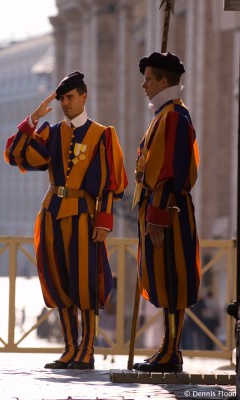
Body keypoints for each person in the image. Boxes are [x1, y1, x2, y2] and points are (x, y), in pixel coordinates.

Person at [4, 71, 128, 370]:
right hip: (52, 214)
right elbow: (15, 154)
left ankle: (86, 351)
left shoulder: (103, 134)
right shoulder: (51, 132)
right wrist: (31, 121)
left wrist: (104, 221)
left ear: (84, 97)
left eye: (70, 97)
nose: (65, 103)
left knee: (85, 283)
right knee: (58, 281)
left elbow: (113, 183)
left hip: (85, 216)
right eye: (61, 99)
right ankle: (70, 348)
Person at [132, 52, 200, 373]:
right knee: (164, 278)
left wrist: (157, 214)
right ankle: (167, 348)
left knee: (173, 279)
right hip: (162, 207)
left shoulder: (173, 116)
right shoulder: (165, 114)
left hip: (168, 209)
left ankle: (171, 352)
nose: (143, 84)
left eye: (148, 78)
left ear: (163, 81)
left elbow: (170, 169)